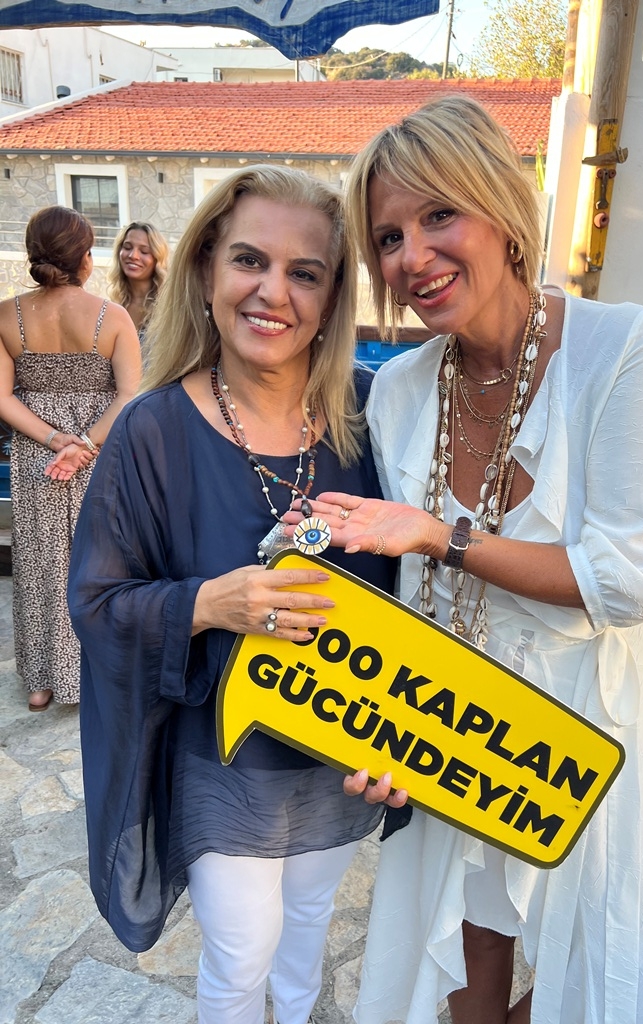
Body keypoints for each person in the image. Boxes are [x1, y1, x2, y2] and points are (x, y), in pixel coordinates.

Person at [288, 96, 643, 1024]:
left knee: (593, 961)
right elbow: (408, 597)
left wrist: (444, 535)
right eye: (388, 237)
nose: (413, 256)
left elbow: (631, 577)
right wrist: (380, 729)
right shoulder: (398, 390)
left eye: (440, 214)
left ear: (502, 209)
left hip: (596, 719)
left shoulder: (623, 345)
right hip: (460, 717)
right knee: (462, 947)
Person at [67, 165, 396, 1024]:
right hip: (221, 753)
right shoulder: (152, 430)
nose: (272, 292)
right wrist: (208, 604)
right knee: (242, 952)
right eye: (250, 259)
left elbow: (422, 582)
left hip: (340, 745)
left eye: (305, 272)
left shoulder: (372, 415)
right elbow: (96, 603)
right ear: (209, 267)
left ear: (333, 297)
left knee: (308, 931)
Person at [0, 205, 141, 711]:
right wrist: (83, 443)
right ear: (85, 258)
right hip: (99, 454)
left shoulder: (6, 315)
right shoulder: (112, 316)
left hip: (37, 454)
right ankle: (96, 671)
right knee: (101, 560)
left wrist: (56, 439)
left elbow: (2, 397)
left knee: (39, 561)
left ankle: (42, 681)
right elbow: (130, 396)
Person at [107, 220, 169, 342]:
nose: (133, 256)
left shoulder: (169, 307)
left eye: (144, 251)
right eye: (127, 247)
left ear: (157, 259)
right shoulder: (113, 305)